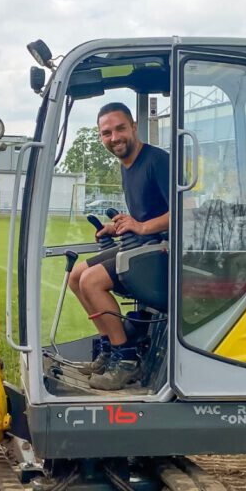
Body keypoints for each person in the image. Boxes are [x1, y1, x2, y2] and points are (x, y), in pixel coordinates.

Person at [68, 102, 169, 391]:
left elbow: (186, 210)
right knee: (76, 276)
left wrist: (141, 227)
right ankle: (111, 348)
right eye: (106, 133)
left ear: (134, 127)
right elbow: (147, 212)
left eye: (120, 129)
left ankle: (126, 360)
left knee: (92, 281)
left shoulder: (157, 161)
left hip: (163, 251)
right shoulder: (127, 165)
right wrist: (120, 225)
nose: (114, 138)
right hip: (143, 244)